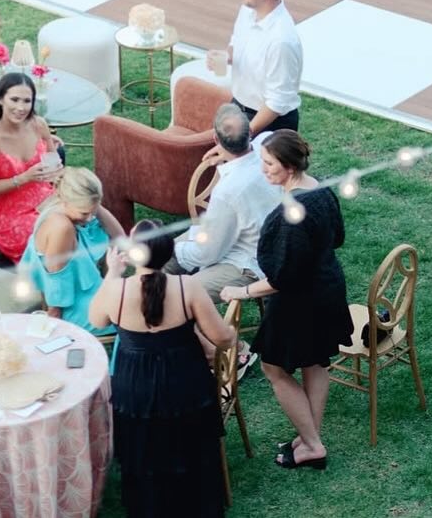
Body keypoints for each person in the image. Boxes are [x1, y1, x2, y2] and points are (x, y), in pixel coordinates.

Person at [220, 131, 352, 469]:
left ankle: (311, 445)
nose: (263, 169)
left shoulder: (288, 217)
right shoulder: (320, 187)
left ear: (289, 167)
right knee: (315, 361)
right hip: (328, 288)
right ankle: (310, 438)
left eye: (268, 164)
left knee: (273, 368)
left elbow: (281, 280)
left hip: (301, 303)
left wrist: (241, 291)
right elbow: (337, 237)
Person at [88, 220, 234, 517]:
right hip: (184, 382)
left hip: (135, 386)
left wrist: (112, 273)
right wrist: (231, 333)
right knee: (190, 446)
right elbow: (222, 338)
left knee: (145, 448)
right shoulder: (187, 287)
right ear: (168, 253)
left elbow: (97, 320)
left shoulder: (116, 290)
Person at [165, 103, 280, 301]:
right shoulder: (268, 143)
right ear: (250, 131)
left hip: (250, 263)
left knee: (183, 294)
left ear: (216, 139)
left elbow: (207, 253)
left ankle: (172, 321)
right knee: (158, 260)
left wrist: (173, 248)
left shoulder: (227, 192)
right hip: (256, 241)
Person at [21, 167, 126, 334]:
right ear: (64, 201)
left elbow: (120, 238)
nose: (89, 218)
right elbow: (57, 278)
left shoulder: (74, 210)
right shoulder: (61, 228)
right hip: (72, 303)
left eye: (93, 211)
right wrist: (55, 316)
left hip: (88, 286)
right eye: (84, 213)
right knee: (133, 315)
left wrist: (95, 208)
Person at [224, 0, 303, 135]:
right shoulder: (247, 10)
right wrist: (227, 56)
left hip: (270, 124)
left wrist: (245, 135)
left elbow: (277, 101)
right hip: (238, 107)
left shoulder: (281, 40)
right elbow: (236, 40)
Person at [0, 72, 63, 262]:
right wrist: (24, 178)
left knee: (81, 220)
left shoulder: (38, 124)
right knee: (50, 237)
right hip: (9, 211)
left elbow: (53, 161)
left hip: (45, 197)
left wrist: (55, 171)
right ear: (0, 99)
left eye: (27, 101)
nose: (20, 107)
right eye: (14, 99)